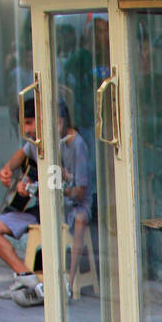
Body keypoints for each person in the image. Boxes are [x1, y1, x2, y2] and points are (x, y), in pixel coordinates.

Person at [0, 95, 43, 303]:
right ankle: (25, 276)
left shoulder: (64, 145)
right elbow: (22, 153)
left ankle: (29, 279)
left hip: (53, 211)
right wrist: (8, 168)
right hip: (35, 210)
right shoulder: (33, 143)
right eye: (23, 125)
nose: (27, 130)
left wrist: (32, 189)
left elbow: (65, 187)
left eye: (29, 123)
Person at [58, 99, 92, 298]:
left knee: (79, 221)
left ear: (63, 121)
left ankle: (70, 281)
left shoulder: (78, 145)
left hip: (80, 203)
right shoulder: (59, 144)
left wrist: (64, 189)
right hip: (65, 201)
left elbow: (80, 190)